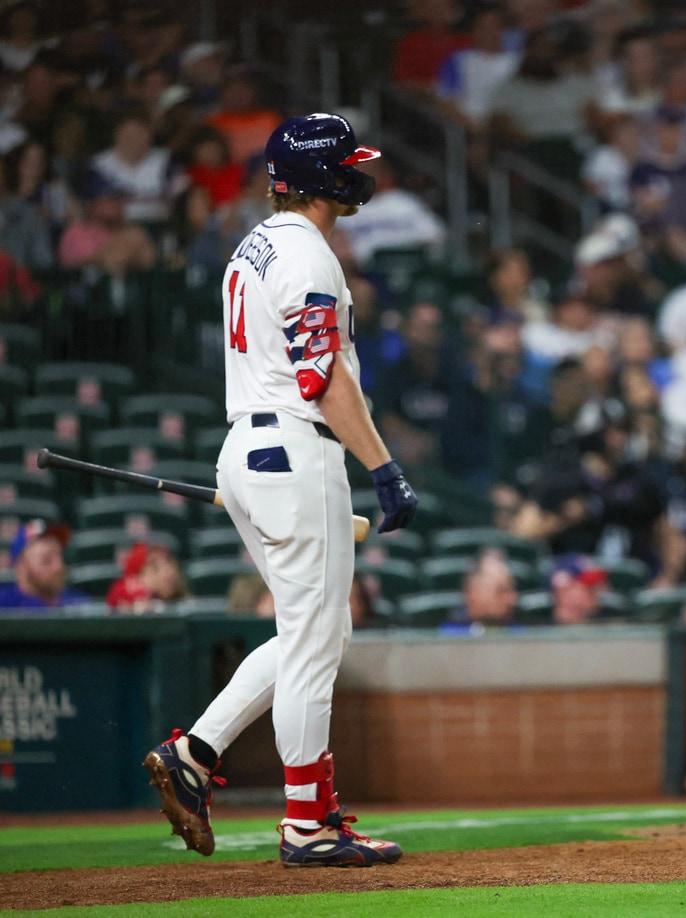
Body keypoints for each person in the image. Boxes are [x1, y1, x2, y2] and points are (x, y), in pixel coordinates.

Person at [142, 114, 418, 869]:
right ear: (322, 177)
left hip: (252, 450)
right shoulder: (307, 253)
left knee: (311, 635)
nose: (359, 175)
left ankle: (194, 753)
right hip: (295, 448)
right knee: (313, 644)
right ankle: (308, 823)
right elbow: (320, 379)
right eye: (349, 164)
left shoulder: (255, 244)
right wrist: (384, 467)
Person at [0, 519, 87, 611]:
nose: (58, 567)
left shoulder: (78, 604)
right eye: (47, 560)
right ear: (21, 567)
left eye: (61, 557)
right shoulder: (5, 606)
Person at [106, 542, 188, 614]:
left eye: (169, 563)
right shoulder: (125, 595)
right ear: (136, 578)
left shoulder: (185, 604)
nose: (168, 573)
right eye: (154, 568)